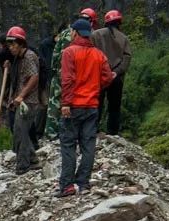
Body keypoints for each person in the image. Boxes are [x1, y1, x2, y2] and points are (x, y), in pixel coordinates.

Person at [56, 18, 115, 198]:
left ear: (75, 33)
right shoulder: (99, 54)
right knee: (88, 145)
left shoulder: (69, 52)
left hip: (73, 106)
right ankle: (83, 184)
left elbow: (67, 79)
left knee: (68, 145)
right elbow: (107, 77)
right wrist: (94, 87)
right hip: (92, 106)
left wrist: (66, 103)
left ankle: (67, 186)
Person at [46, 8, 98, 140]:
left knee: (54, 102)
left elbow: (55, 55)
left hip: (60, 72)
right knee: (71, 103)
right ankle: (69, 133)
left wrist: (55, 70)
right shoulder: (90, 35)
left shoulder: (64, 33)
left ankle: (52, 134)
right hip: (77, 75)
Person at [6, 27, 41, 175]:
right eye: (9, 44)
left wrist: (21, 96)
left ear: (21, 43)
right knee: (21, 131)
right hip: (20, 101)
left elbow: (34, 77)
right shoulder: (18, 58)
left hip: (28, 101)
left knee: (20, 132)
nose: (11, 47)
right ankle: (32, 160)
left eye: (13, 44)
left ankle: (23, 165)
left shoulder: (29, 57)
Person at [92, 10, 132, 135]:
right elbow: (127, 58)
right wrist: (116, 72)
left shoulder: (95, 35)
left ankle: (93, 129)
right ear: (119, 22)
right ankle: (113, 132)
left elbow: (90, 53)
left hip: (99, 75)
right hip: (116, 77)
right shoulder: (123, 38)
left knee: (97, 103)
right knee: (114, 106)